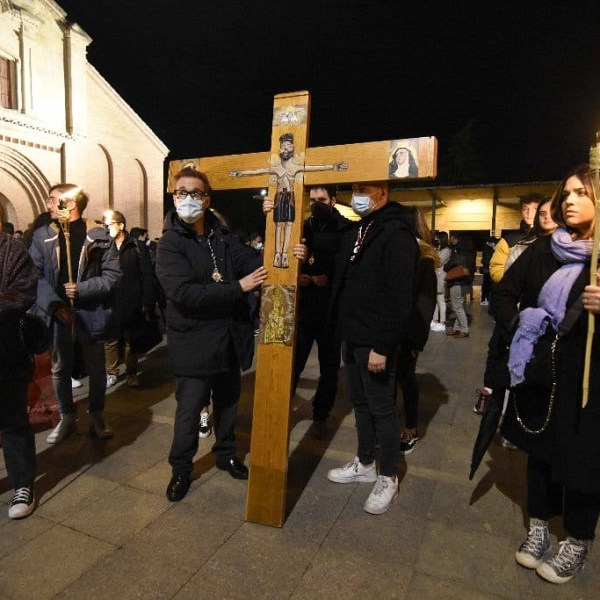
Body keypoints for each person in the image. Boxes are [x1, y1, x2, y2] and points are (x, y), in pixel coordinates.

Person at [156, 166, 306, 502]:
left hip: (227, 340)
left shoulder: (220, 236)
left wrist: (287, 243)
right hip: (194, 343)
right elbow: (182, 293)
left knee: (227, 405)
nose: (188, 199)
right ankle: (181, 468)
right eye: (181, 192)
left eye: (195, 193)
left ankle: (226, 454)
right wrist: (236, 288)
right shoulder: (169, 243)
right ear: (174, 196)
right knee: (190, 409)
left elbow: (255, 263)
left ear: (207, 200)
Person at [495, 164, 600, 584]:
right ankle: (538, 526)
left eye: (582, 193)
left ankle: (577, 538)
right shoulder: (543, 249)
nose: (570, 200)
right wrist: (523, 322)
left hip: (587, 381)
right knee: (538, 453)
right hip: (540, 374)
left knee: (582, 459)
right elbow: (503, 294)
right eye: (567, 193)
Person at [327, 181, 418, 515]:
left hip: (376, 340)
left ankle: (389, 475)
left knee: (382, 408)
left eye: (365, 188)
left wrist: (383, 345)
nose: (358, 194)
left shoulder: (396, 233)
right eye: (354, 188)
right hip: (351, 336)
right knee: (360, 404)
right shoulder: (360, 229)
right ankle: (365, 462)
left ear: (383, 194)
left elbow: (400, 297)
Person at [29, 184, 122, 443]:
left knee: (96, 368)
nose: (48, 205)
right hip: (58, 315)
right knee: (60, 369)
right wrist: (54, 305)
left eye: (52, 200)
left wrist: (82, 288)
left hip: (91, 314)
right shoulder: (42, 235)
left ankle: (97, 416)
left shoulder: (98, 234)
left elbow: (113, 276)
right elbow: (33, 276)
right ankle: (67, 417)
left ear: (69, 204)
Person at [264, 185, 351, 433]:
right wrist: (298, 271)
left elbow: (348, 270)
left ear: (333, 200)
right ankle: (281, 411)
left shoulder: (344, 228)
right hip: (303, 310)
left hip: (330, 313)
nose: (316, 204)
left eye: (321, 199)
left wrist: (329, 278)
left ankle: (321, 416)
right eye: (312, 199)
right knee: (293, 364)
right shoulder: (302, 226)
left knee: (329, 368)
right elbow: (279, 254)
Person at [475, 200, 558, 416]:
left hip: (549, 329)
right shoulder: (517, 242)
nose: (543, 216)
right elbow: (498, 272)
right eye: (537, 212)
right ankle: (489, 396)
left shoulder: (572, 249)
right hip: (516, 315)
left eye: (551, 212)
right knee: (497, 355)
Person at [229, 132, 347, 268]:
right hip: (279, 199)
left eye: (288, 146)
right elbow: (258, 171)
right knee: (279, 226)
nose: (285, 149)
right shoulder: (276, 168)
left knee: (289, 226)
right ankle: (278, 254)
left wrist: (332, 166)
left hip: (290, 199)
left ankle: (284, 254)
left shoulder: (343, 227)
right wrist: (241, 173)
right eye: (282, 146)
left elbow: (312, 168)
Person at [0, 223, 38, 518]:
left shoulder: (12, 250)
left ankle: (23, 484)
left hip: (6, 350)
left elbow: (23, 292)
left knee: (13, 421)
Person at [396, 207, 438, 455]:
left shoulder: (423, 258)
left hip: (409, 334)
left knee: (407, 380)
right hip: (391, 332)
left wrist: (415, 343)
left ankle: (411, 428)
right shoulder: (399, 253)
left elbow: (425, 306)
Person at [102, 210, 156, 388]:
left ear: (121, 225)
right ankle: (111, 372)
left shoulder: (137, 247)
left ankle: (132, 372)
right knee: (110, 338)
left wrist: (147, 300)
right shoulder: (103, 246)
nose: (106, 228)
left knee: (130, 339)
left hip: (132, 300)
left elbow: (147, 274)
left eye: (109, 224)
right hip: (110, 299)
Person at [489, 194, 542, 283]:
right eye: (525, 209)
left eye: (535, 209)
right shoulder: (508, 240)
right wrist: (512, 283)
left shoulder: (551, 237)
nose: (530, 213)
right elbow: (496, 268)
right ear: (521, 211)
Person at [444, 233, 476, 338]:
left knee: (457, 307)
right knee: (458, 306)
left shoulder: (459, 253)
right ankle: (457, 329)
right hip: (465, 282)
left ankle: (464, 329)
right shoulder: (470, 253)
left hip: (457, 282)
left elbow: (448, 266)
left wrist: (446, 265)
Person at [430, 231, 451, 332]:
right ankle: (435, 320)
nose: (436, 240)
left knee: (441, 300)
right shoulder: (439, 249)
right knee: (435, 300)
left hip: (440, 277)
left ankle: (442, 322)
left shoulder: (446, 250)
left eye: (437, 239)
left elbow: (438, 262)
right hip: (435, 277)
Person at [480, 235, 497, 306]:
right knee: (487, 285)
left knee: (486, 284)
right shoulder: (489, 249)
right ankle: (485, 299)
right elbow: (486, 260)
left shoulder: (487, 248)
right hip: (488, 269)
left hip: (487, 269)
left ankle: (484, 298)